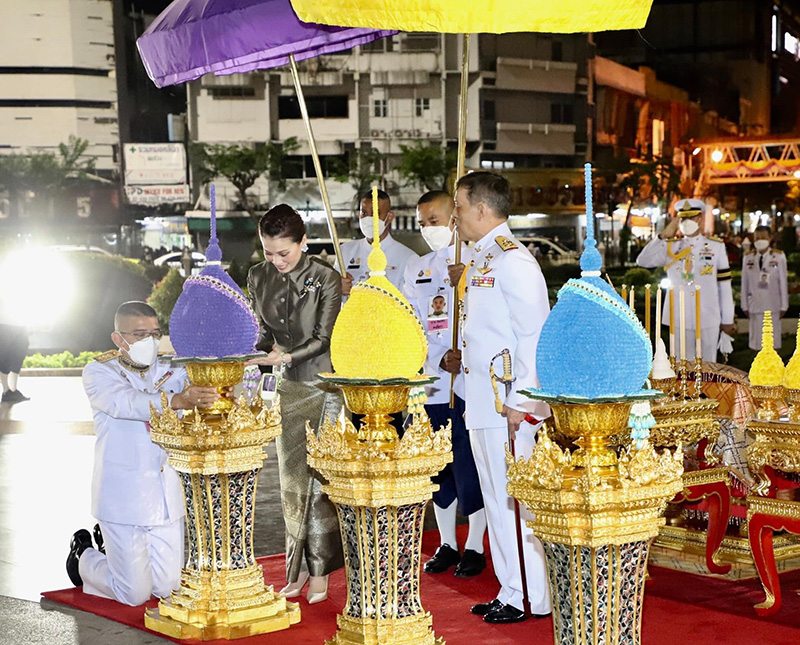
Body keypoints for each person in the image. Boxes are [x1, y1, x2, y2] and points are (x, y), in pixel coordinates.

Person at [67, 301, 220, 605]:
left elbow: (204, 385)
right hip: (123, 496)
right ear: (118, 338)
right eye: (139, 334)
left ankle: (113, 556)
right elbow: (127, 403)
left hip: (165, 494)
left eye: (155, 333)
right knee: (134, 594)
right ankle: (83, 556)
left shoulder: (172, 367)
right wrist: (177, 400)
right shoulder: (99, 371)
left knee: (168, 589)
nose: (149, 341)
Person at [451, 172, 552, 624]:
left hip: (508, 407)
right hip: (483, 402)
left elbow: (535, 336)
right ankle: (512, 590)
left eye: (458, 207)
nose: (454, 216)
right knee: (496, 500)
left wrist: (524, 401)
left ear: (482, 210)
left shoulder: (513, 261)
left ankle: (530, 595)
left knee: (514, 504)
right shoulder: (483, 258)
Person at [247, 204, 344, 605]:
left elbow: (323, 337)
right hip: (286, 389)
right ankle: (297, 569)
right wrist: (254, 350)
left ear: (303, 242)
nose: (276, 261)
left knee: (319, 485)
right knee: (290, 485)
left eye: (284, 253)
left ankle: (320, 571)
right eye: (269, 252)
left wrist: (284, 357)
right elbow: (260, 331)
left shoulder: (326, 277)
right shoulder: (257, 276)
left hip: (324, 388)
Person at [401, 190, 487, 579]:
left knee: (471, 466)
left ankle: (476, 545)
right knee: (439, 470)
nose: (426, 229)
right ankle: (448, 543)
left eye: (432, 221)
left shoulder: (480, 262)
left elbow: (491, 323)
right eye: (421, 223)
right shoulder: (417, 268)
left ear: (454, 218)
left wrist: (466, 287)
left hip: (472, 386)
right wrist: (437, 357)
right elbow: (410, 325)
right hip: (433, 384)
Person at [637, 198, 735, 362]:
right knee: (681, 367)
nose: (687, 222)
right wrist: (661, 237)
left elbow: (724, 286)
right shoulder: (670, 246)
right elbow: (643, 261)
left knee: (707, 366)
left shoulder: (715, 247)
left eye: (692, 217)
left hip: (708, 316)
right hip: (678, 316)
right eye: (683, 218)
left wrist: (727, 319)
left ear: (700, 218)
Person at [337, 189, 418, 297]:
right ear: (358, 214)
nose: (369, 218)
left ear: (389, 217)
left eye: (376, 213)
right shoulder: (345, 252)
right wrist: (337, 287)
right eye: (364, 213)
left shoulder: (408, 258)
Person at [742, 225, 788, 350]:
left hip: (772, 304)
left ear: (770, 238)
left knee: (772, 343)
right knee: (756, 343)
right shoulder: (748, 257)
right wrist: (744, 305)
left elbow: (783, 282)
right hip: (755, 305)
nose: (760, 240)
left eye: (763, 237)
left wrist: (784, 305)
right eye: (757, 238)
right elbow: (744, 282)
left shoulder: (779, 256)